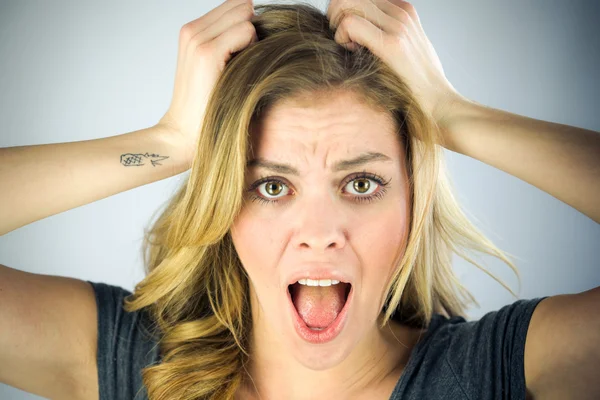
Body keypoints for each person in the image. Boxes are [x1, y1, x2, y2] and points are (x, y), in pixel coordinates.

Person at [0, 1, 598, 399]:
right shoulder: (138, 368)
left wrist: (450, 114)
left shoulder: (493, 373)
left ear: (414, 204)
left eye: (361, 184)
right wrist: (170, 143)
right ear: (222, 205)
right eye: (271, 186)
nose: (319, 232)